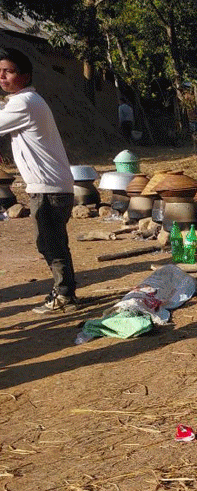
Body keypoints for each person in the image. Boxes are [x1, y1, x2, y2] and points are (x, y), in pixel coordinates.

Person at [0, 47, 78, 312]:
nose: (2, 77)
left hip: (49, 188)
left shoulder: (24, 103)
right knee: (53, 241)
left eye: (8, 71)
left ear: (25, 75)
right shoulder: (27, 101)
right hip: (52, 186)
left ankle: (65, 295)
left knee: (49, 242)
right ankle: (65, 291)